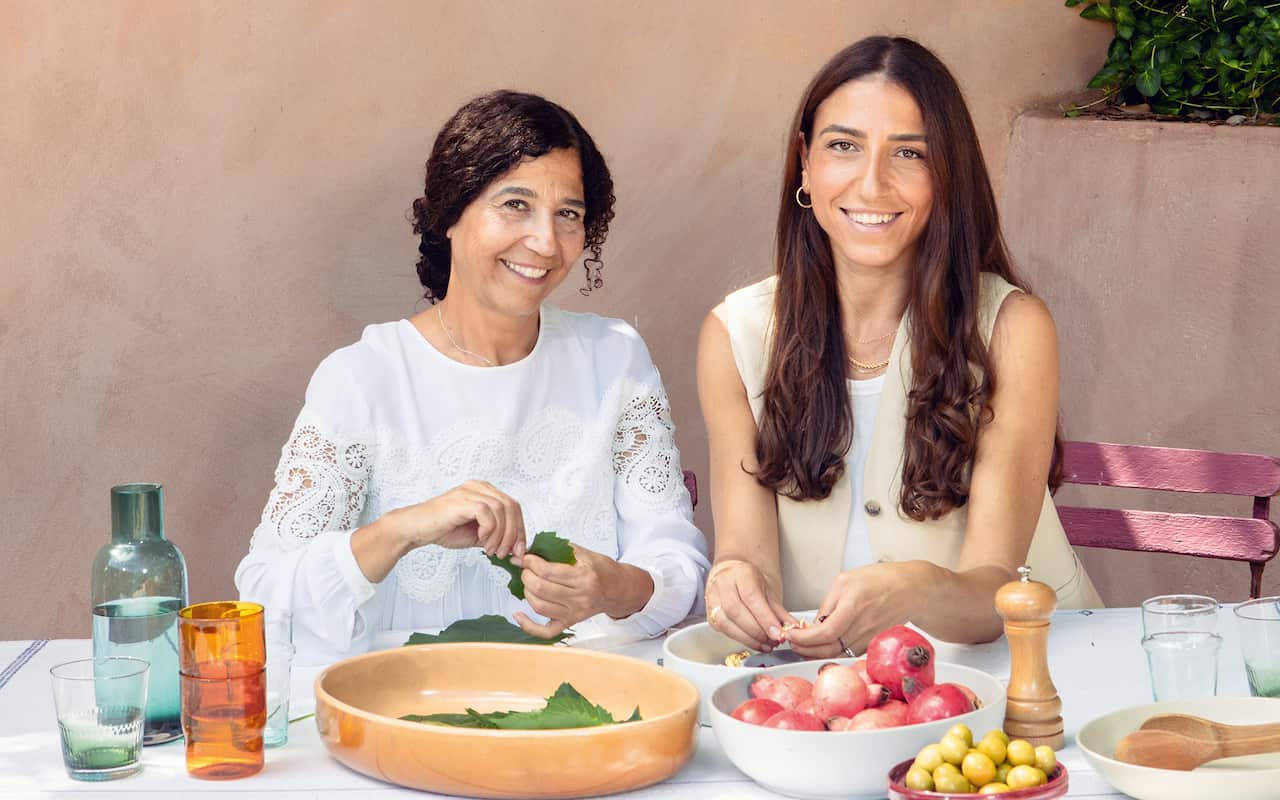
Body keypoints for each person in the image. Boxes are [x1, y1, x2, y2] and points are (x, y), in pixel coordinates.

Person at [237, 90, 708, 664]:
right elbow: (264, 603)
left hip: (584, 706)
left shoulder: (614, 360)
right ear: (450, 213)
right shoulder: (363, 378)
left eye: (568, 214)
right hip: (403, 710)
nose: (544, 242)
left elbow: (678, 564)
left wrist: (613, 586)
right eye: (516, 204)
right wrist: (404, 529)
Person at [697, 37, 1101, 661]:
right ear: (804, 164)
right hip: (829, 689)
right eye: (843, 146)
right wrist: (736, 584)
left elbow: (994, 587)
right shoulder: (737, 335)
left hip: (1029, 676)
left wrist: (914, 588)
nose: (872, 182)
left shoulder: (1012, 328)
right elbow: (747, 556)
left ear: (947, 175)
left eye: (908, 153)